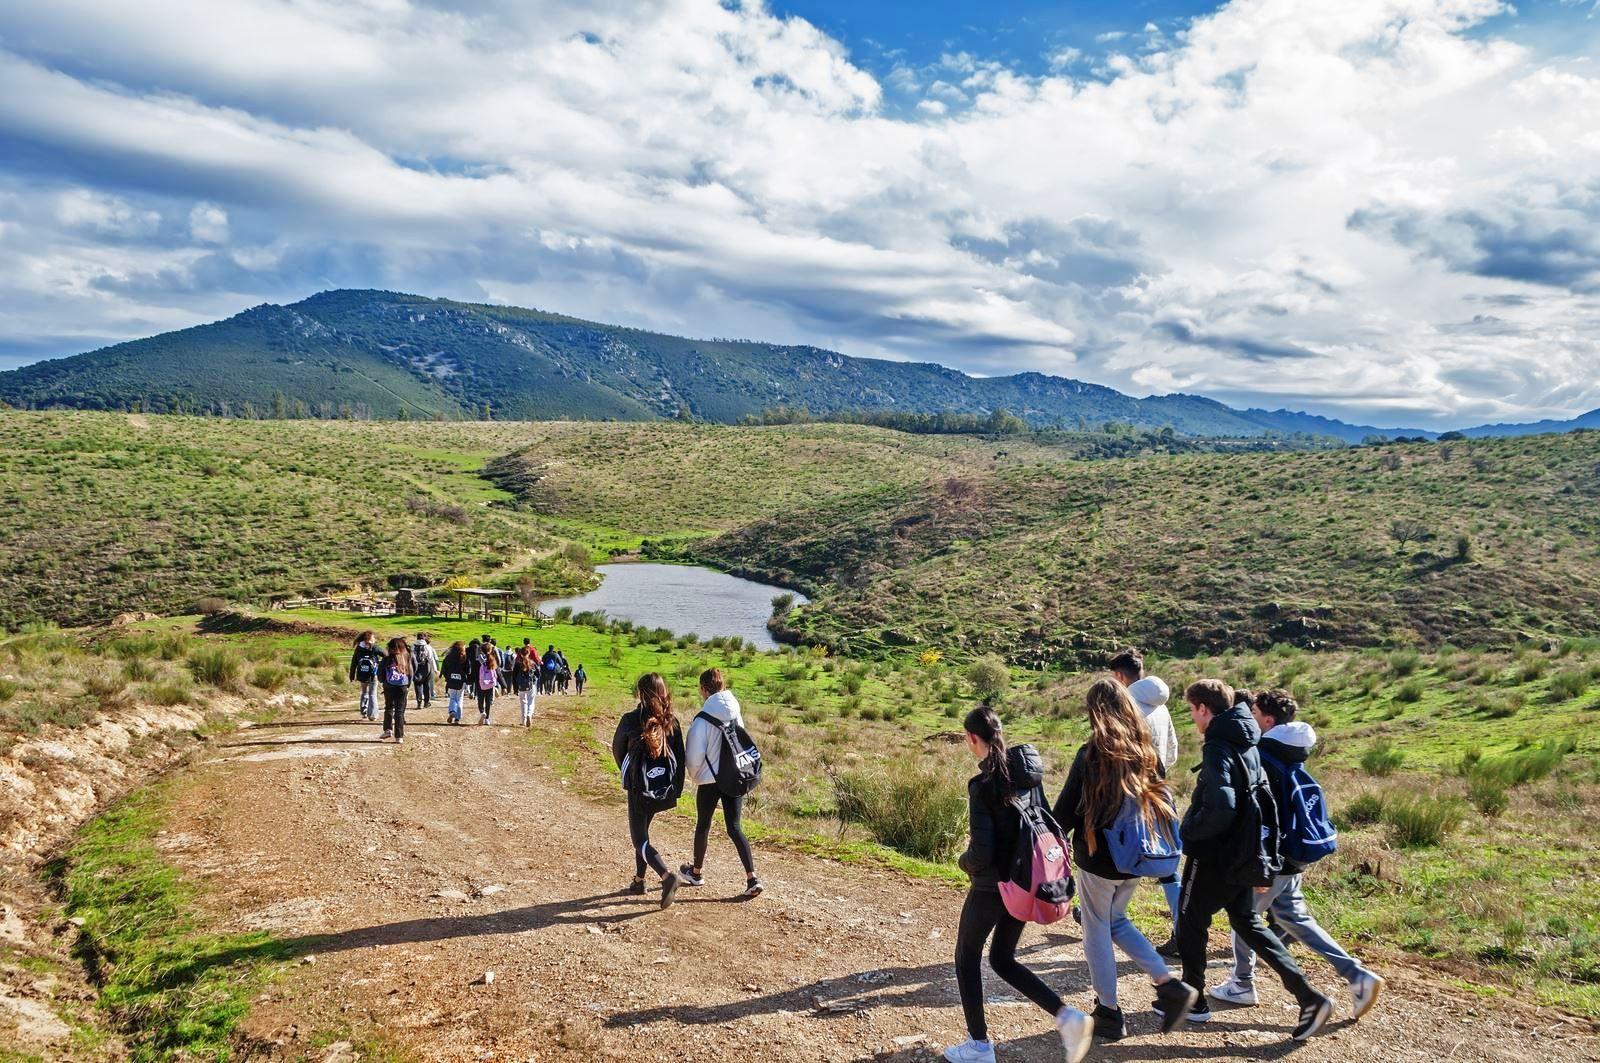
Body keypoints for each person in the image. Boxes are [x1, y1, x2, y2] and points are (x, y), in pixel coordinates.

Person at [1208, 689, 1384, 1019]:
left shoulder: (1266, 755)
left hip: (1273, 860)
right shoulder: (1291, 751)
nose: (1251, 719)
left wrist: (1260, 868)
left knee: (1243, 919)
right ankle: (1357, 975)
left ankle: (1242, 983)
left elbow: (1265, 817)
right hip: (1294, 857)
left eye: (1256, 714)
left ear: (1269, 720)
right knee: (1296, 919)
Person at [1176, 679, 1334, 1039]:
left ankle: (1195, 1000)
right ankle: (1309, 997)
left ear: (1203, 708)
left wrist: (1189, 832)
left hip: (1214, 853)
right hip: (1244, 853)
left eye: (1192, 711)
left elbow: (1224, 804)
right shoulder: (1248, 739)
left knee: (1190, 919)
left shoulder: (1217, 744)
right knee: (1249, 923)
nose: (1193, 718)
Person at [1052, 678, 1198, 1041]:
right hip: (1137, 855)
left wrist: (1047, 839)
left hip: (1099, 857)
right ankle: (1168, 984)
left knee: (1096, 929)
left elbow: (1065, 812)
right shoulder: (1147, 752)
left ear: (1095, 713)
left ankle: (1108, 1011)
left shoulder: (1091, 753)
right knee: (1115, 920)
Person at [944, 704, 1092, 1063]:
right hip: (1025, 883)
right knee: (1002, 958)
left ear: (971, 738)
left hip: (990, 887)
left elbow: (981, 852)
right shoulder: (1029, 775)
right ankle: (1067, 1017)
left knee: (966, 958)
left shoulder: (982, 785)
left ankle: (979, 1047)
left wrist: (963, 863)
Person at [678, 669, 763, 898]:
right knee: (734, 828)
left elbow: (694, 757)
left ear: (704, 689)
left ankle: (696, 873)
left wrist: (697, 776)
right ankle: (752, 877)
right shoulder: (735, 710)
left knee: (703, 825)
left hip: (709, 780)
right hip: (734, 776)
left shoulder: (702, 719)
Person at [610, 673, 686, 908]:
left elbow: (617, 751)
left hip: (638, 789)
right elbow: (681, 759)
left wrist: (631, 777)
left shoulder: (630, 720)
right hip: (663, 790)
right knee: (643, 833)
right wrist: (675, 790)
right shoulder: (671, 722)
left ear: (641, 694)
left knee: (639, 839)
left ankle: (666, 876)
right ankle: (639, 881)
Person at [379, 637, 412, 743]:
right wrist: (408, 685)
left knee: (388, 707)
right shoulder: (406, 657)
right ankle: (399, 736)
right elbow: (410, 672)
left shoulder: (386, 659)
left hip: (389, 686)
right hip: (402, 686)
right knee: (400, 711)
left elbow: (380, 674)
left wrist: (384, 682)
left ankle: (388, 729)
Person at [348, 630, 382, 721]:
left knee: (364, 692)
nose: (375, 639)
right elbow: (386, 655)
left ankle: (364, 712)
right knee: (372, 693)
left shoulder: (358, 648)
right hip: (373, 674)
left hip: (362, 674)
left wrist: (351, 676)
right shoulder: (375, 648)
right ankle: (373, 715)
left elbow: (354, 663)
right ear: (370, 638)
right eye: (373, 637)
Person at [441, 640, 467, 725]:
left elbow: (444, 668)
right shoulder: (464, 657)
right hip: (461, 681)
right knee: (459, 698)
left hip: (451, 680)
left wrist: (446, 677)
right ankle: (457, 718)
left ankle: (452, 711)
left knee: (452, 697)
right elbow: (469, 670)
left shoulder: (448, 657)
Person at [411, 632, 437, 710]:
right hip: (426, 666)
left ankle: (419, 703)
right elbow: (431, 659)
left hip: (415, 667)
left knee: (418, 684)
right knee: (426, 685)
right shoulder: (427, 647)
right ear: (424, 638)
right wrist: (435, 669)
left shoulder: (412, 646)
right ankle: (426, 702)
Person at [513, 646, 537, 726]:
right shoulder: (532, 663)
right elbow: (538, 674)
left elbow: (514, 677)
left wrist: (515, 688)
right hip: (531, 685)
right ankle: (529, 715)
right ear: (529, 653)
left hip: (521, 686)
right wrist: (534, 680)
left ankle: (523, 720)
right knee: (531, 702)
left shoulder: (517, 664)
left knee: (523, 703)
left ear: (520, 654)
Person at [476, 644, 498, 724]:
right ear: (490, 650)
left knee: (480, 699)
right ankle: (487, 719)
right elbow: (496, 671)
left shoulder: (478, 659)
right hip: (490, 683)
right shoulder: (492, 659)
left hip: (480, 682)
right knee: (488, 701)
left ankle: (482, 712)